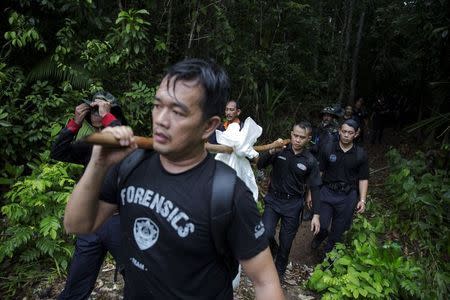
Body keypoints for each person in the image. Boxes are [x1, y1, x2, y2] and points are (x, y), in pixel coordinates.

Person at [63, 58, 284, 299]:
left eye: (178, 111)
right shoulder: (130, 165)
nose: (161, 120)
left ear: (209, 126)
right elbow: (77, 224)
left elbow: (265, 282)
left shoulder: (228, 193)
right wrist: (98, 164)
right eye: (158, 106)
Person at [51, 91, 126, 300]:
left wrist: (107, 116)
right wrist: (74, 122)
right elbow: (58, 152)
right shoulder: (90, 143)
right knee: (76, 283)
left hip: (120, 221)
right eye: (92, 110)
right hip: (92, 222)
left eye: (100, 108)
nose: (96, 113)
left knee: (140, 277)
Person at [257, 121, 321, 282]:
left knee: (286, 243)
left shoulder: (310, 160)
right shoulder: (280, 150)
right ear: (291, 134)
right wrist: (271, 151)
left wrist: (316, 215)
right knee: (265, 233)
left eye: (302, 137)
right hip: (273, 200)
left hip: (293, 205)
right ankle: (272, 249)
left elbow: (315, 187)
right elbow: (260, 164)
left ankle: (278, 273)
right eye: (295, 135)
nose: (297, 139)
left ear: (308, 139)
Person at [311, 119, 369, 254]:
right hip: (327, 191)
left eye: (350, 132)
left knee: (338, 230)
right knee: (323, 225)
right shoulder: (328, 148)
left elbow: (363, 179)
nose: (346, 135)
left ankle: (327, 258)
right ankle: (320, 236)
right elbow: (319, 172)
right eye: (344, 132)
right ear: (339, 131)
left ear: (356, 134)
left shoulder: (360, 154)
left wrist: (362, 200)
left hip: (348, 196)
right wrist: (312, 192)